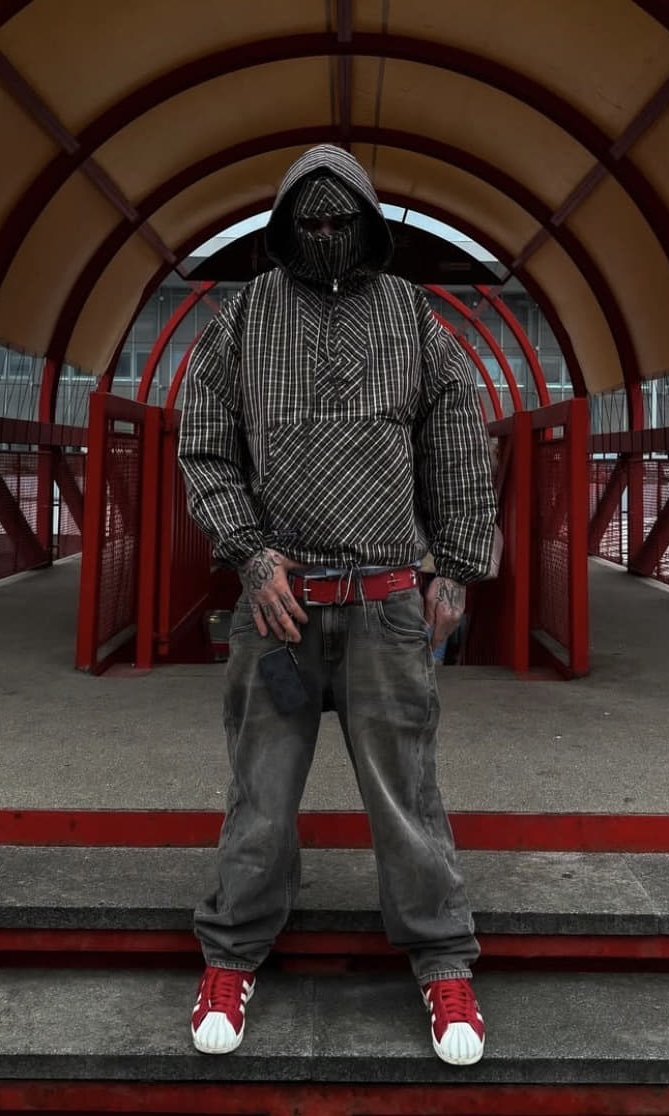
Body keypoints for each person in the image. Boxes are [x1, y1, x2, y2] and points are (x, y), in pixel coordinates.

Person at [177, 144, 498, 1066]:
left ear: (366, 223)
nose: (324, 234)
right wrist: (248, 554)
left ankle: (443, 963)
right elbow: (205, 446)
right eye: (308, 221)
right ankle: (231, 954)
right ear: (285, 225)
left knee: (407, 796)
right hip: (276, 601)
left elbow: (457, 438)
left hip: (387, 600)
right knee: (261, 793)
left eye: (339, 220)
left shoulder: (410, 315)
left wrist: (456, 569)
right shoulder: (243, 318)